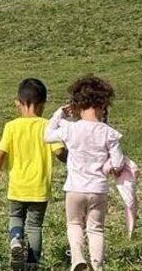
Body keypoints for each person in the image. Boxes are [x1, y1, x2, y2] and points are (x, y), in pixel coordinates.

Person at [44, 74, 127, 271]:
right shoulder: (109, 133)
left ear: (77, 104)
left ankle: (77, 259)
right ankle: (97, 266)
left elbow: (47, 136)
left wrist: (59, 114)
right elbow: (118, 163)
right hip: (98, 189)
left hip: (74, 188)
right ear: (104, 104)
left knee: (74, 224)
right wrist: (110, 167)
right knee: (96, 229)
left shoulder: (71, 129)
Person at [0, 78, 66, 271]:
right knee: (35, 226)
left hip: (17, 186)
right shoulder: (48, 126)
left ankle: (15, 242)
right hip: (39, 187)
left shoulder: (11, 126)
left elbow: (0, 152)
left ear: (18, 103)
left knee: (15, 217)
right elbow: (60, 153)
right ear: (42, 104)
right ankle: (32, 264)